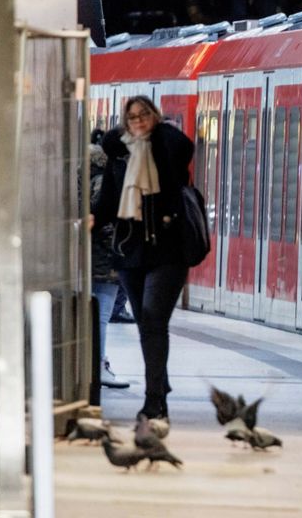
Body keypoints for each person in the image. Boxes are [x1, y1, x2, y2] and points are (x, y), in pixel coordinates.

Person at [92, 95, 194, 420]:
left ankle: (154, 403)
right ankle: (159, 385)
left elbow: (182, 149)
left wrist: (156, 135)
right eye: (132, 117)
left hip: (168, 250)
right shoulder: (120, 157)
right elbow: (108, 200)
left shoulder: (167, 148)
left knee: (152, 319)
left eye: (144, 115)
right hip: (130, 250)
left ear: (155, 116)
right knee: (144, 323)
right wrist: (93, 218)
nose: (138, 121)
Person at [89, 129, 130, 389]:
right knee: (101, 316)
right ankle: (99, 366)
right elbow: (105, 221)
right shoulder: (109, 178)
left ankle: (95, 365)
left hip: (92, 260)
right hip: (105, 261)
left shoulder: (86, 175)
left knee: (96, 315)